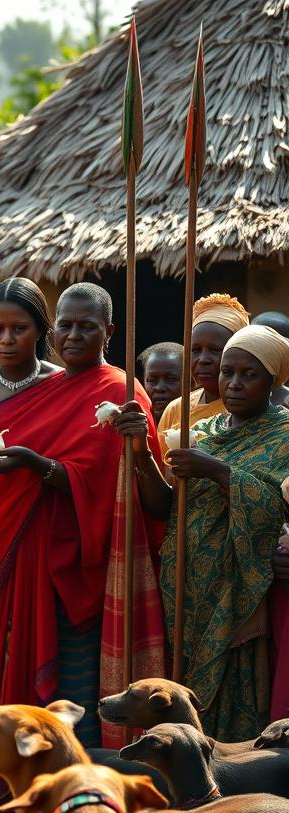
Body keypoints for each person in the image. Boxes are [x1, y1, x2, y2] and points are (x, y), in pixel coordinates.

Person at [0, 279, 164, 813]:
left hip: (67, 564)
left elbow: (131, 490)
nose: (73, 334)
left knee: (63, 695)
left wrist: (39, 466)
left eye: (21, 329)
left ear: (108, 332)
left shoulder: (109, 391)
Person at [125, 325, 289, 741]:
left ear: (274, 380)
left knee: (237, 688)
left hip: (241, 590)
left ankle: (235, 780)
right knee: (184, 685)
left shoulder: (284, 434)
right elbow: (164, 507)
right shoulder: (204, 431)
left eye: (248, 375)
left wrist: (217, 471)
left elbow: (276, 508)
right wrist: (144, 453)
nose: (233, 383)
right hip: (186, 585)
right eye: (227, 372)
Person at [157, 294, 249, 460]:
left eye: (214, 350)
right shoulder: (177, 409)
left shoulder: (246, 409)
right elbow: (163, 473)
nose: (203, 359)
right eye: (195, 350)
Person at [138, 342, 183, 424]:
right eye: (152, 380)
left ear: (192, 383)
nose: (159, 388)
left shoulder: (204, 427)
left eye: (171, 379)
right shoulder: (131, 428)